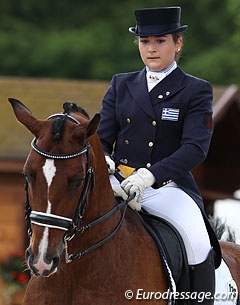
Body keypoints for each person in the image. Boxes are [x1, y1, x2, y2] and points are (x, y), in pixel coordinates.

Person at [97, 7, 221, 304]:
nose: (151, 48)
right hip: (118, 184)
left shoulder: (195, 90)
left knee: (197, 242)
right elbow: (100, 139)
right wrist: (106, 167)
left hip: (167, 187)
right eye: (145, 41)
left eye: (160, 41)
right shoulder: (121, 84)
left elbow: (195, 148)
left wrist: (150, 175)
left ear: (178, 44)